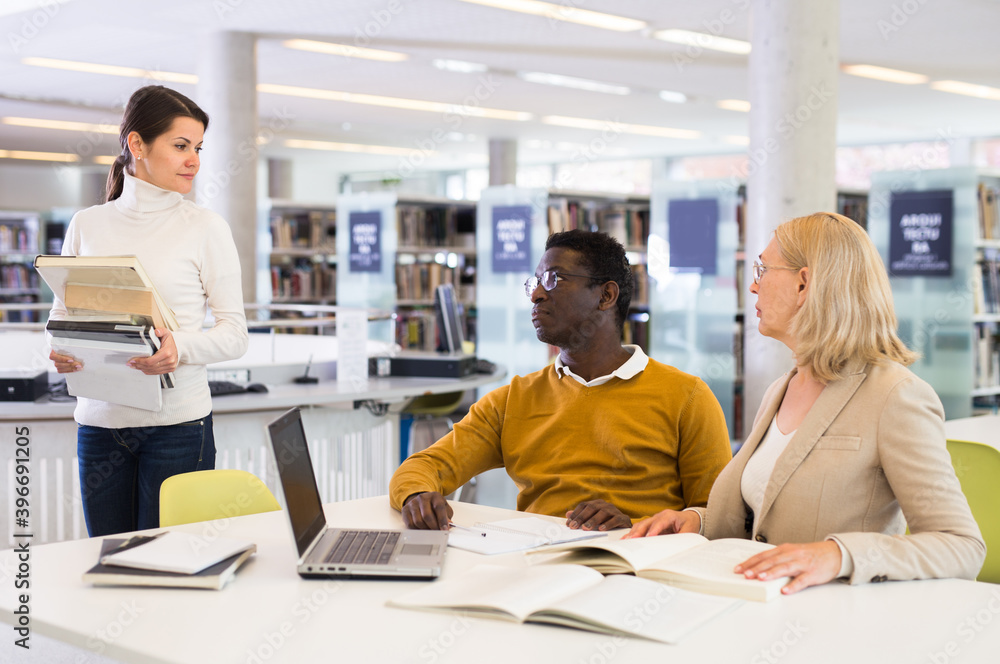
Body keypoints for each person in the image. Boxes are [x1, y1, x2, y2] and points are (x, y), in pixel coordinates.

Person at [627, 212, 985, 594]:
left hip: (834, 622)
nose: (752, 285)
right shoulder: (780, 389)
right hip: (754, 602)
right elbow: (764, 512)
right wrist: (696, 521)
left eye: (762, 269)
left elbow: (961, 546)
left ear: (804, 284)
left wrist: (837, 555)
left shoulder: (896, 396)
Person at [390, 229, 732, 531]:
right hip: (535, 567)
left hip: (638, 569)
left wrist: (635, 524)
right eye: (535, 282)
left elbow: (717, 516)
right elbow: (425, 465)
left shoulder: (686, 397)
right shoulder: (514, 399)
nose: (537, 294)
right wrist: (418, 495)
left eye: (554, 279)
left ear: (606, 296)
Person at [48, 85, 249, 537]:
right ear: (137, 145)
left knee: (169, 569)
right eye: (181, 146)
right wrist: (58, 348)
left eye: (197, 148)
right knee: (112, 562)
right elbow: (61, 315)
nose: (194, 160)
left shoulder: (205, 227)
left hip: (177, 427)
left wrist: (181, 347)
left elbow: (235, 333)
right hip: (99, 426)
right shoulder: (88, 224)